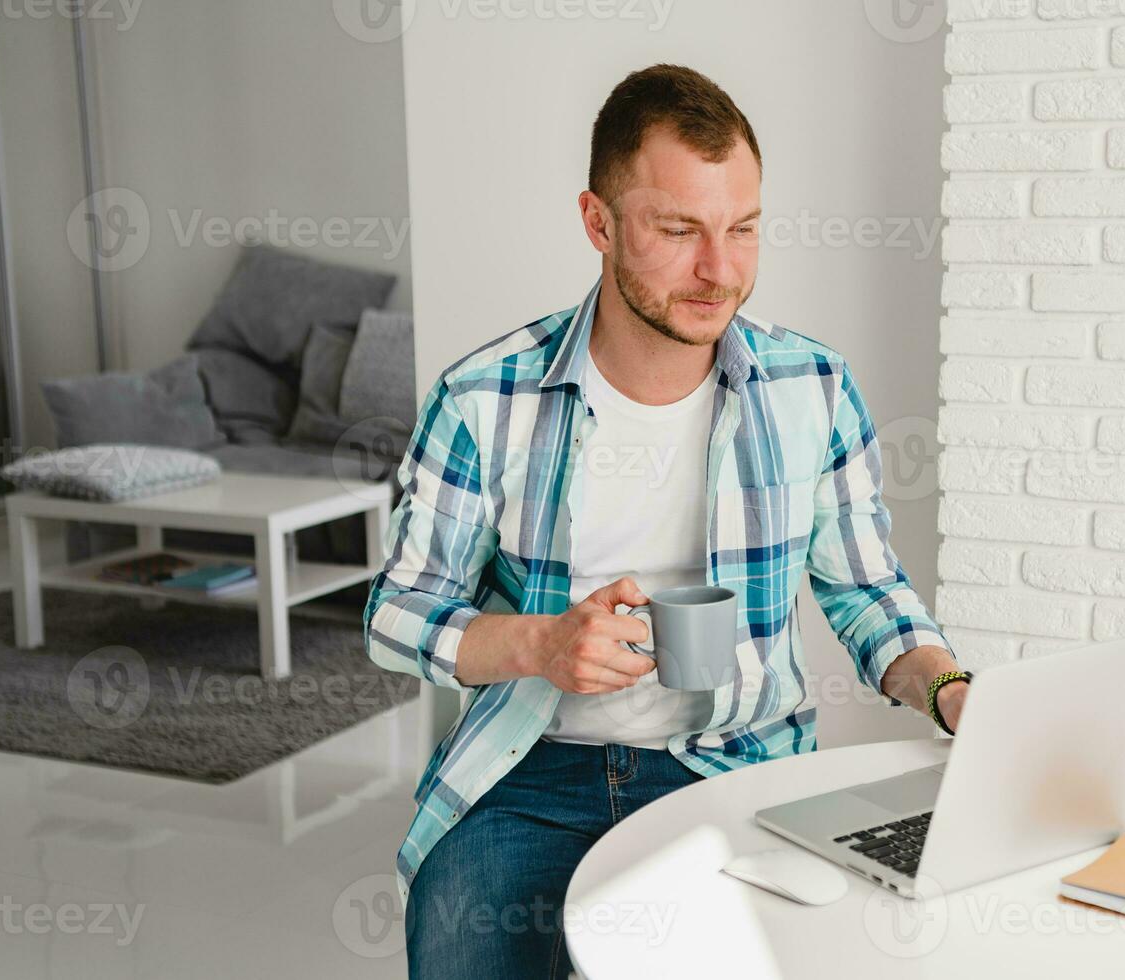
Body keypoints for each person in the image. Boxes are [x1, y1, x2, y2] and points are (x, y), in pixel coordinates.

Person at [366, 62, 970, 979]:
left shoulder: (811, 388)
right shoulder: (484, 397)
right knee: (459, 947)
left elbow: (868, 593)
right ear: (598, 223)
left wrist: (948, 691)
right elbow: (394, 611)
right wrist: (539, 646)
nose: (720, 270)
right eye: (680, 229)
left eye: (743, 229)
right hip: (528, 773)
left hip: (735, 768)